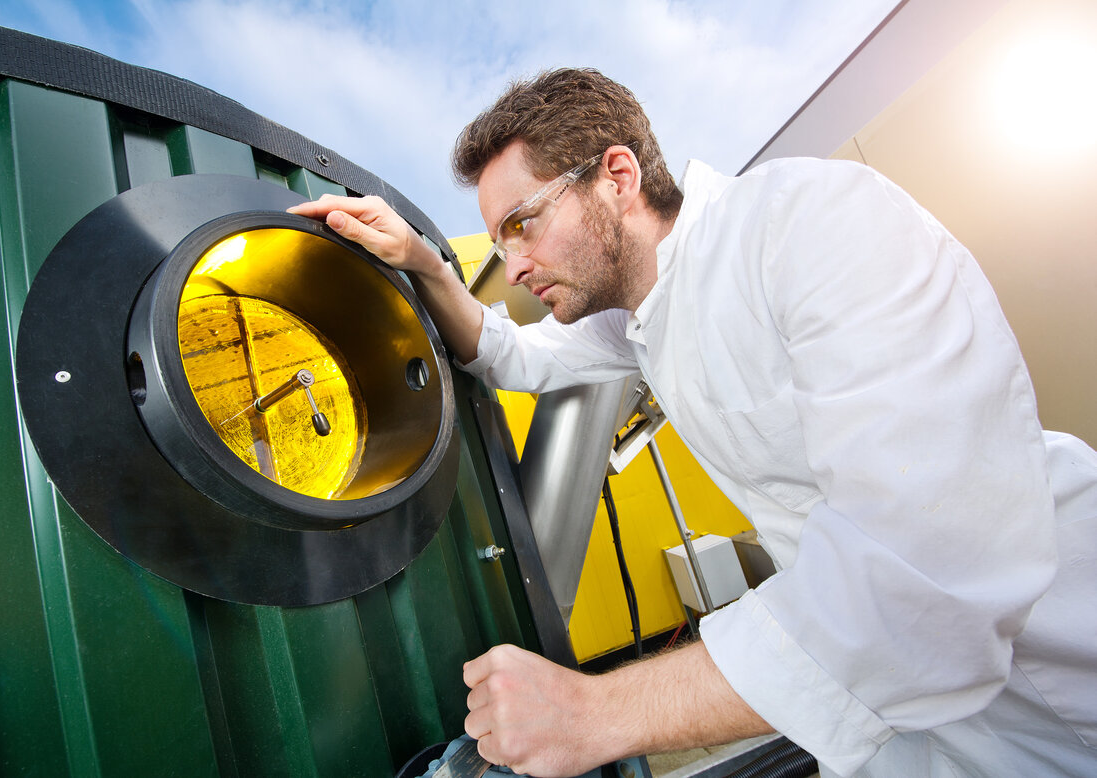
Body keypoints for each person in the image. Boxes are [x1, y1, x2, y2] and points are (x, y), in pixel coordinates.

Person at [288, 68, 1097, 778]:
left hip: (1057, 663)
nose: (515, 262)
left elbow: (925, 578)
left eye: (522, 222)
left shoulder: (808, 220)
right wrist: (428, 265)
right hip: (910, 712)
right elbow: (509, 355)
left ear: (617, 175)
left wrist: (592, 712)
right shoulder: (640, 320)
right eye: (498, 238)